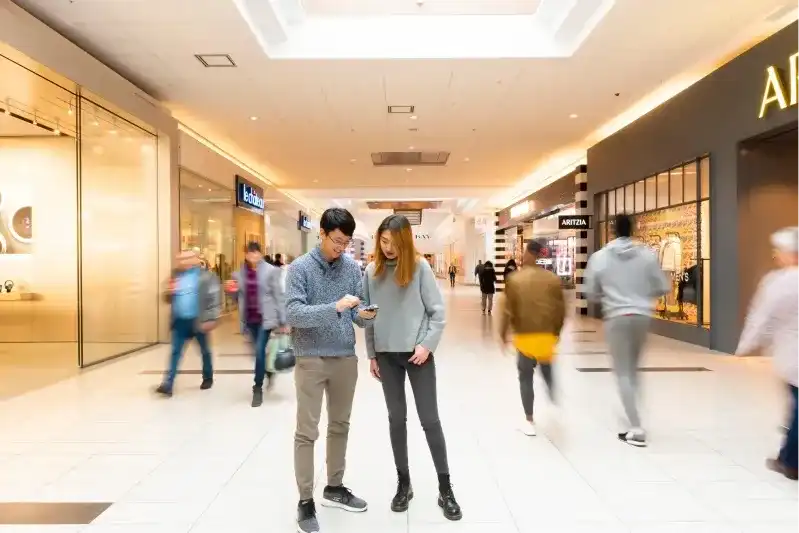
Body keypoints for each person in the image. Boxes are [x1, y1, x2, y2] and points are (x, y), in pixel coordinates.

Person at [363, 215, 461, 520]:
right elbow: (368, 316)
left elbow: (437, 313)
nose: (388, 248)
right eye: (383, 240)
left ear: (405, 240)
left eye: (394, 241)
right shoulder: (371, 271)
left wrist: (426, 345)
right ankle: (404, 483)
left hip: (419, 356)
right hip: (386, 356)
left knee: (430, 420)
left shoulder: (420, 268)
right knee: (396, 419)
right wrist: (372, 354)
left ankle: (445, 488)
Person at [285, 207, 377, 533]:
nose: (341, 247)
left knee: (340, 425)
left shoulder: (353, 269)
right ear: (321, 233)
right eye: (337, 241)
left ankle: (334, 487)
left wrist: (364, 315)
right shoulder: (299, 269)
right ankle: (305, 500)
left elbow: (355, 313)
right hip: (310, 358)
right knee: (306, 431)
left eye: (346, 242)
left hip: (344, 358)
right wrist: (334, 307)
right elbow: (294, 314)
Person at [584, 213, 670, 447]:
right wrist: (641, 295)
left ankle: (635, 427)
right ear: (633, 228)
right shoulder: (647, 255)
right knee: (633, 369)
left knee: (622, 372)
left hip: (616, 317)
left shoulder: (600, 257)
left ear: (612, 230)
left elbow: (591, 292)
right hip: (642, 316)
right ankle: (632, 416)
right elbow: (663, 286)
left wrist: (610, 295)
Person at [737, 227, 799, 480]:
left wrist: (746, 345)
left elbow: (761, 318)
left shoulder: (779, 281)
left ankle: (790, 461)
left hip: (793, 354)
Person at [499, 240, 565, 436]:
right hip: (546, 335)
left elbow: (507, 311)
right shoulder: (552, 279)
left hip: (525, 337)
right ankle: (553, 398)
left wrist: (503, 335)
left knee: (525, 377)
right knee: (546, 366)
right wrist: (556, 333)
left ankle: (529, 420)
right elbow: (560, 310)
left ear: (528, 253)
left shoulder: (515, 280)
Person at [229, 242, 287, 407]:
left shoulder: (271, 271)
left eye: (256, 253)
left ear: (260, 254)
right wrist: (230, 292)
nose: (253, 256)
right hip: (249, 318)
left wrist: (283, 320)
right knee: (257, 353)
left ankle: (257, 388)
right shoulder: (239, 274)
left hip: (266, 318)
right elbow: (236, 298)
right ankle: (268, 371)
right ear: (246, 255)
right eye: (250, 253)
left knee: (260, 350)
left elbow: (278, 295)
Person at [156, 250, 221, 397]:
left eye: (187, 258)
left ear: (196, 259)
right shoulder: (175, 276)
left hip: (199, 320)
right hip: (180, 321)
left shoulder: (207, 276)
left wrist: (212, 318)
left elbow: (215, 298)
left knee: (205, 351)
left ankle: (208, 377)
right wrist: (169, 292)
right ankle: (168, 383)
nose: (183, 262)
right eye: (180, 259)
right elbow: (166, 298)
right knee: (175, 352)